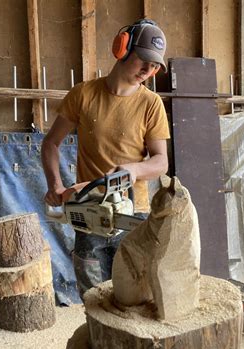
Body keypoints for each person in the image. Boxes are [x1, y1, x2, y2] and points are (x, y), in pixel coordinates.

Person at [41, 19, 170, 300]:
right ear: (122, 49)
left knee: (134, 296)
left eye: (155, 65)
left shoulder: (151, 104)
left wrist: (133, 170)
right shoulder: (83, 94)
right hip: (89, 211)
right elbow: (51, 143)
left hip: (132, 212)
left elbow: (161, 162)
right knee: (94, 298)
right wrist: (56, 185)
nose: (148, 70)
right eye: (143, 60)